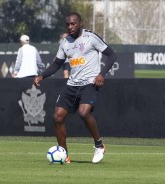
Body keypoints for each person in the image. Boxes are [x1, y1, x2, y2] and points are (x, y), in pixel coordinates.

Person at [34, 12, 117, 164]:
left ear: (80, 23)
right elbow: (57, 64)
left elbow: (111, 55)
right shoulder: (65, 43)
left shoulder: (90, 37)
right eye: (68, 24)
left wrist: (102, 74)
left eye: (73, 24)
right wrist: (42, 76)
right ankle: (64, 155)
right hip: (72, 84)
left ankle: (99, 145)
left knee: (83, 112)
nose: (70, 27)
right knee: (57, 117)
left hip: (90, 83)